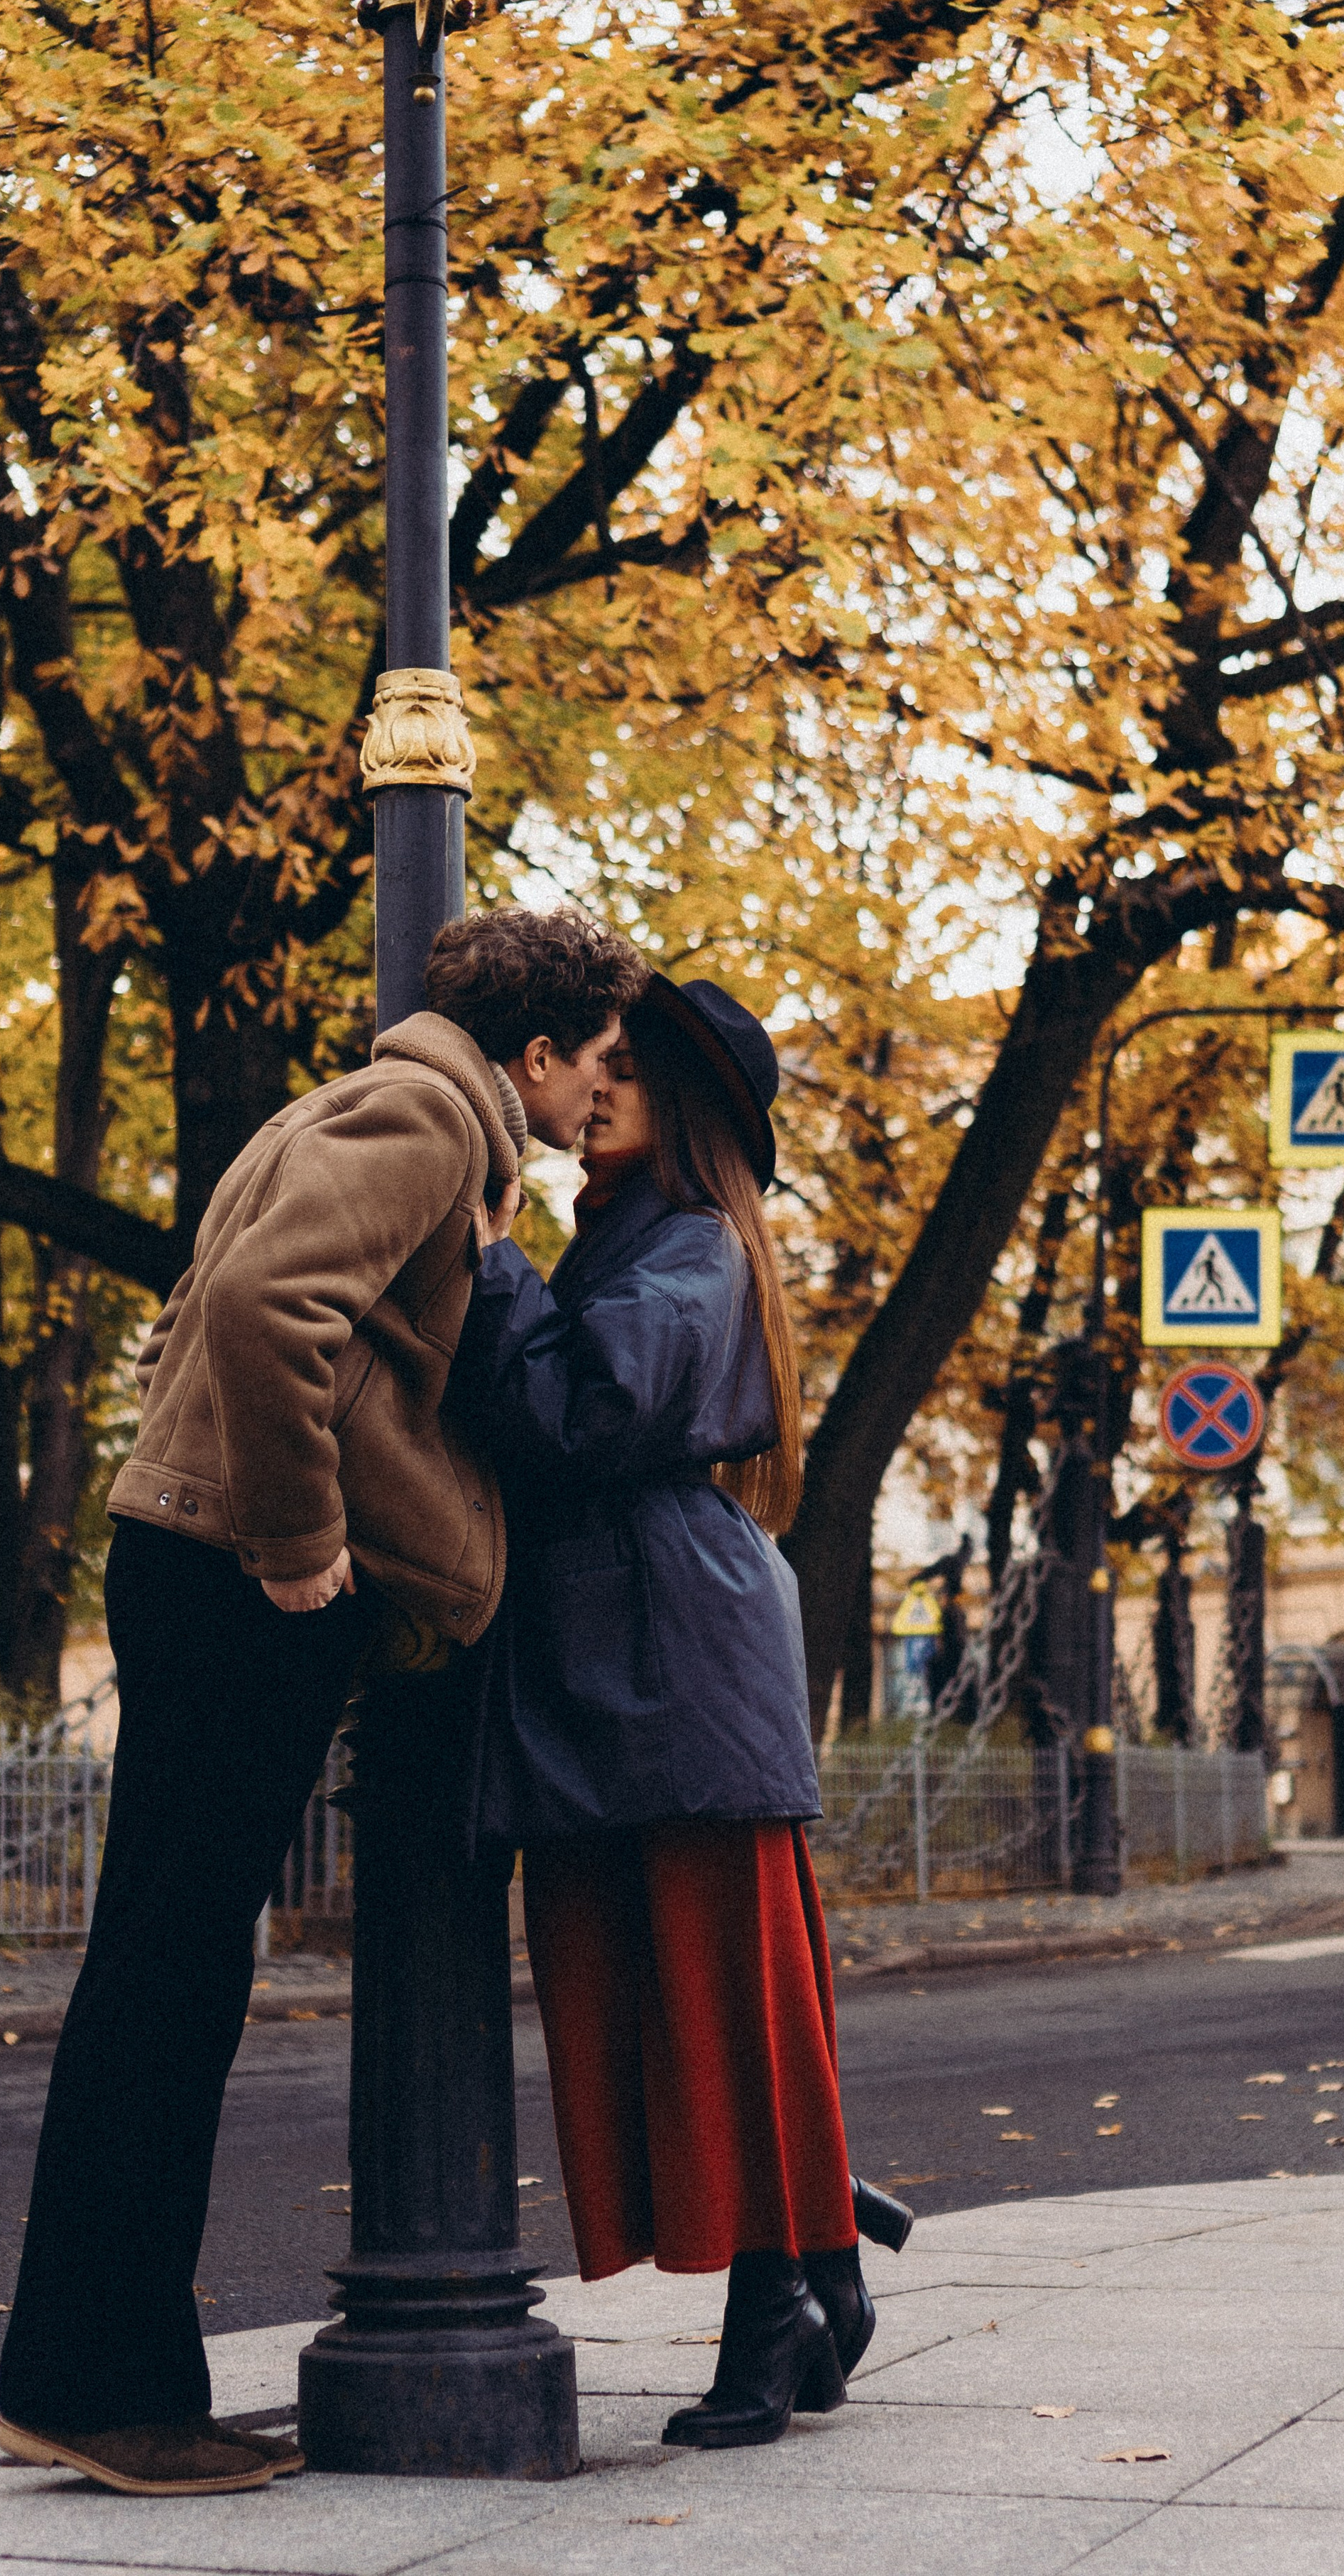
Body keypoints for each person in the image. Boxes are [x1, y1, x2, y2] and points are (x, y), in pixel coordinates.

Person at [0, 906, 647, 2498]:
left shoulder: (364, 1107)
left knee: (164, 1968)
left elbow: (235, 1305)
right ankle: (101, 2387)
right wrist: (297, 1549)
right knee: (169, 1979)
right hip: (236, 1575)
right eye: (596, 1066)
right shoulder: (428, 1114)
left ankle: (85, 2372)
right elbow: (261, 1309)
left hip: (196, 1557)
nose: (596, 1099)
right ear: (538, 1050)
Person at [451, 974, 912, 2455]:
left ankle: (776, 2308)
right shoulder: (624, 1244)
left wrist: (491, 1262)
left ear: (683, 1112)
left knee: (724, 1997)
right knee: (635, 1998)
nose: (592, 1096)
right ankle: (819, 2251)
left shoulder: (696, 1247)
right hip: (611, 1656)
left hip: (678, 1661)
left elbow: (576, 1414)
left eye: (623, 1079)